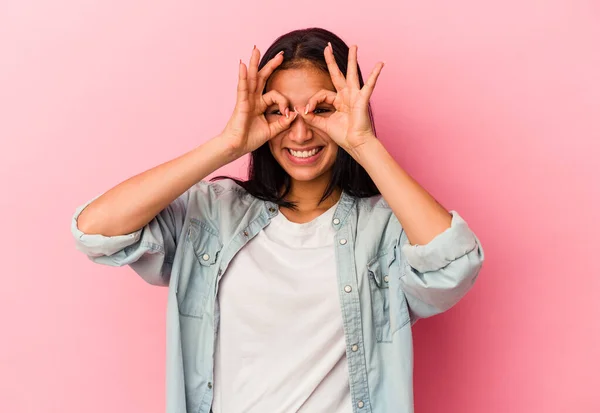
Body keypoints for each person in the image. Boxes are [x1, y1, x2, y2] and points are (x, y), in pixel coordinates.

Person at [71, 27, 484, 413]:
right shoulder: (213, 213)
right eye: (282, 112)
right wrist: (227, 145)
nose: (301, 133)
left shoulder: (385, 228)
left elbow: (454, 267)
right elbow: (97, 230)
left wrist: (363, 143)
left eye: (321, 109)